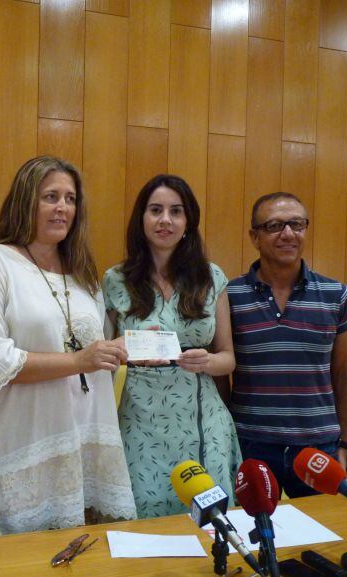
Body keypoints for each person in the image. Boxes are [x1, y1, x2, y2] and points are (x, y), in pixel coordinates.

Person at [0, 156, 137, 535]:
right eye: (50, 196)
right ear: (26, 202)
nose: (63, 208)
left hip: (84, 448)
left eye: (70, 199)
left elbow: (94, 357)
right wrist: (79, 360)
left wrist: (125, 348)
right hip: (26, 449)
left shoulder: (83, 275)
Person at [102, 174, 241, 519]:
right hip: (138, 417)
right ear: (142, 218)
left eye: (176, 211)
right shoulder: (114, 280)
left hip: (201, 418)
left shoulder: (211, 277)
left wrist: (208, 361)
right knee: (142, 520)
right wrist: (120, 348)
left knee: (209, 525)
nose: (166, 220)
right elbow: (103, 357)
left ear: (188, 221)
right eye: (156, 210)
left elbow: (229, 359)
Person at [226, 192, 347, 497]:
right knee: (255, 536)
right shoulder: (229, 295)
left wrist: (345, 445)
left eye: (296, 224)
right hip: (250, 444)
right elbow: (220, 377)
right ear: (254, 237)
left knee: (321, 538)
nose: (288, 234)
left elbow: (343, 375)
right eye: (274, 226)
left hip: (318, 447)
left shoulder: (337, 295)